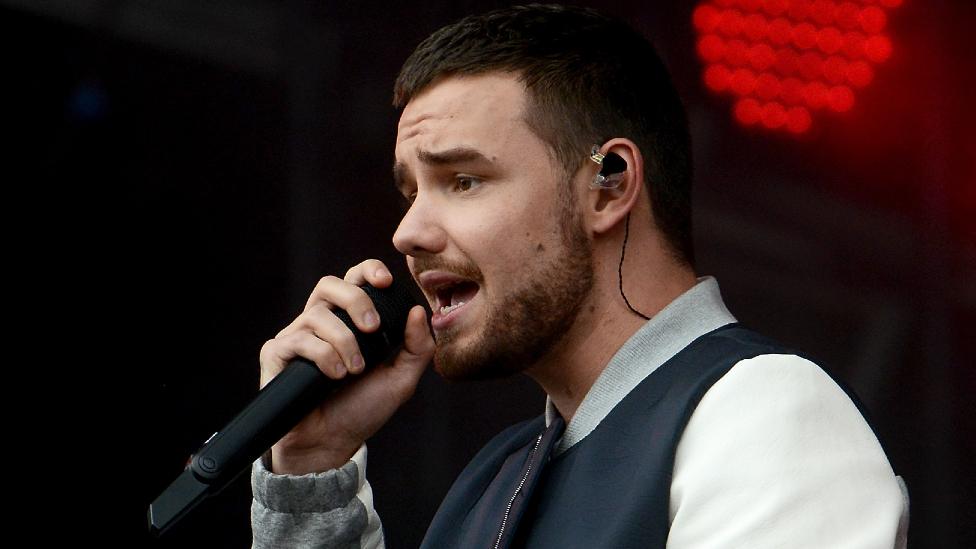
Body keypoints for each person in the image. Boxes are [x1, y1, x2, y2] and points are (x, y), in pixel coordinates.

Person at [251, 4, 908, 548]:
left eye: (463, 179)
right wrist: (313, 471)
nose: (408, 233)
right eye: (411, 192)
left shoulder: (762, 411)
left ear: (608, 183)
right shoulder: (489, 485)